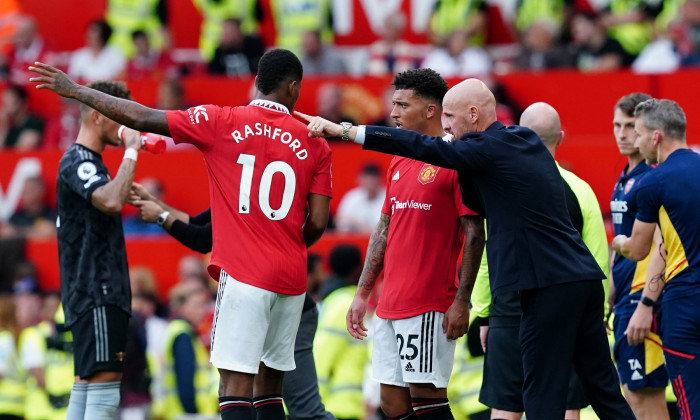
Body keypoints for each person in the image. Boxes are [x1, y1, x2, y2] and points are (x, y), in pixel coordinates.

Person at [296, 78, 636, 420]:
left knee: (540, 390)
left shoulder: (485, 149)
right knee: (603, 389)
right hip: (583, 281)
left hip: (547, 286)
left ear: (473, 115)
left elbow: (424, 147)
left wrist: (346, 132)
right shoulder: (523, 140)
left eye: (449, 117)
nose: (445, 126)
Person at [29, 48, 333, 420]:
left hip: (244, 274)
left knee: (236, 388)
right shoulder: (315, 141)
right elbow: (317, 222)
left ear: (256, 83)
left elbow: (141, 116)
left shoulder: (221, 120)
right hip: (290, 278)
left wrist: (76, 90)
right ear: (294, 88)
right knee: (271, 390)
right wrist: (284, 242)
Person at [343, 68, 485, 420]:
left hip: (429, 303)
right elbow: (384, 228)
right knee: (391, 403)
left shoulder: (456, 160)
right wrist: (363, 294)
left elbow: (474, 232)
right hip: (390, 303)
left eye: (402, 105)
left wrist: (461, 301)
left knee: (427, 399)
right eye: (393, 104)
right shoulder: (398, 160)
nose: (393, 114)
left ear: (430, 111)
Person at [129, 192, 337, 420]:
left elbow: (203, 237)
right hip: (280, 296)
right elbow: (199, 224)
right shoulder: (251, 188)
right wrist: (156, 204)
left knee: (269, 400)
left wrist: (161, 217)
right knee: (266, 397)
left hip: (264, 297)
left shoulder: (246, 189)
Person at [474, 102, 610, 420]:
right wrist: (599, 315)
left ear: (518, 133)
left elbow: (485, 255)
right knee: (565, 407)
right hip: (566, 311)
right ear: (560, 137)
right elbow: (597, 262)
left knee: (505, 407)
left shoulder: (499, 185)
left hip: (508, 310)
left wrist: (483, 315)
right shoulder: (581, 190)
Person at [40, 79, 142, 420]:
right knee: (103, 394)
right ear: (98, 116)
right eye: (120, 115)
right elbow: (111, 201)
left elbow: (110, 196)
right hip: (99, 292)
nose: (126, 124)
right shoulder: (80, 160)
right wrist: (132, 150)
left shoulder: (87, 163)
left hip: (88, 293)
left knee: (86, 390)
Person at [612, 98, 700, 420]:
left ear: (656, 137)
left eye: (637, 133)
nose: (634, 140)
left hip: (684, 304)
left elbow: (639, 250)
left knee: (690, 400)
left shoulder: (653, 182)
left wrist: (619, 241)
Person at [608, 92, 671, 420]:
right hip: (624, 302)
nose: (622, 133)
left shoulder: (652, 178)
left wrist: (646, 305)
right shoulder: (625, 178)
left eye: (630, 126)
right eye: (617, 125)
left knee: (646, 399)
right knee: (633, 396)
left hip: (643, 302)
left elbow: (661, 246)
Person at [162, 282, 219, 419]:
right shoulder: (183, 335)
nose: (202, 310)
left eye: (203, 305)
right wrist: (191, 411)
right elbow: (185, 377)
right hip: (188, 413)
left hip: (183, 411)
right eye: (197, 305)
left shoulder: (180, 330)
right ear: (181, 307)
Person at [335, 163, 386, 234]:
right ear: (360, 178)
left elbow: (381, 231)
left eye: (373, 178)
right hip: (353, 242)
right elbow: (340, 222)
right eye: (366, 178)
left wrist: (356, 223)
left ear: (380, 179)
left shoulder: (387, 198)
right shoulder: (352, 196)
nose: (370, 181)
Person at [0, 84, 44, 150]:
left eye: (11, 103)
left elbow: (22, 150)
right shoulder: (9, 125)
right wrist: (3, 126)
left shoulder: (33, 123)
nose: (7, 108)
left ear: (22, 102)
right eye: (5, 103)